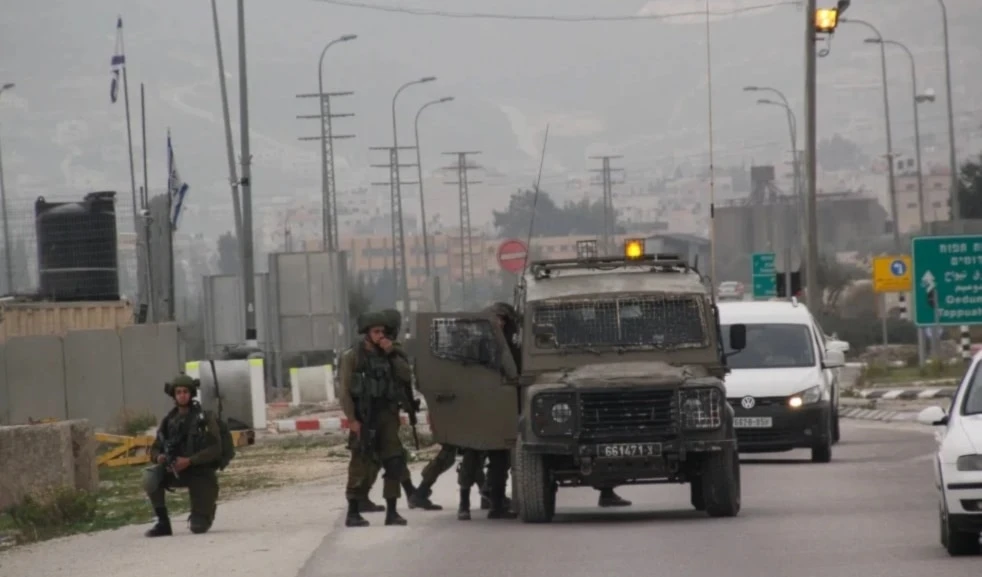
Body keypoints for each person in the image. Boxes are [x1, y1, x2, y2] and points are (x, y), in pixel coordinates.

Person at [361, 308, 445, 511]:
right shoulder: (367, 350)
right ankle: (362, 496)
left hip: (387, 409)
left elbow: (405, 375)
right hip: (371, 411)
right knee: (376, 455)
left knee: (391, 454)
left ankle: (409, 492)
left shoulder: (393, 349)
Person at [339, 311, 412, 527]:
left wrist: (391, 353)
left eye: (383, 331)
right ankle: (353, 511)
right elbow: (344, 391)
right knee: (361, 462)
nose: (381, 335)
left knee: (394, 460)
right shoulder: (352, 356)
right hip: (364, 415)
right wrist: (352, 419)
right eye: (376, 331)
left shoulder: (390, 354)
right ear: (367, 333)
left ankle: (392, 512)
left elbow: (406, 376)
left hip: (387, 416)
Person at [142, 374, 223, 537]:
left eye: (185, 391)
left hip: (201, 474)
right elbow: (155, 448)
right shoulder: (169, 421)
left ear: (191, 393)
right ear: (174, 395)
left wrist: (190, 461)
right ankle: (163, 523)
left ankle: (206, 510)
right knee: (150, 476)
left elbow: (216, 448)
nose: (182, 395)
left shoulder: (204, 418)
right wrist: (160, 457)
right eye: (178, 392)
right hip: (176, 471)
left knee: (198, 528)